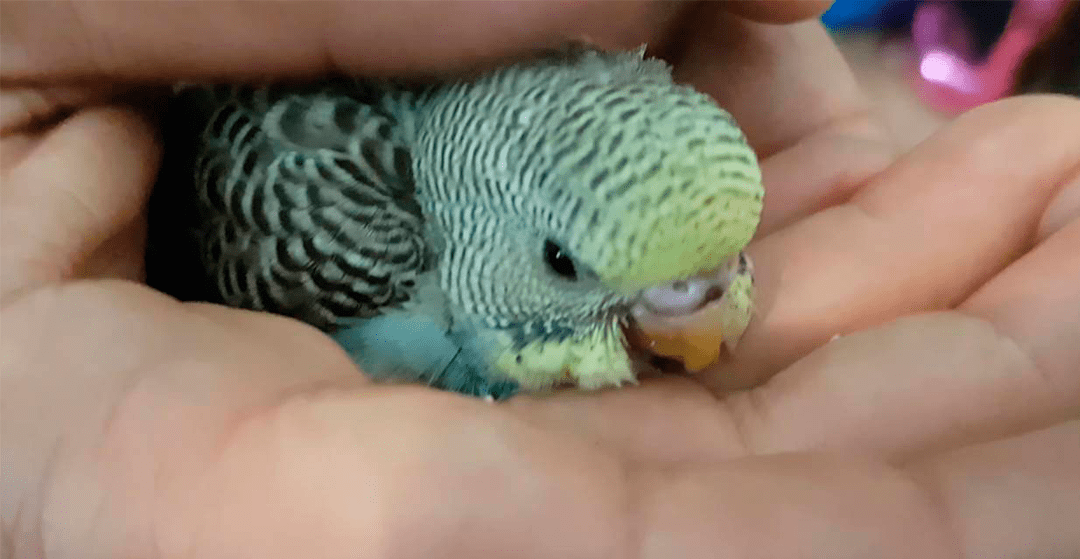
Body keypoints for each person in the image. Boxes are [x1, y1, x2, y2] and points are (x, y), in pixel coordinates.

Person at [2, 2, 1078, 558]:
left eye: (725, 265)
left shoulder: (598, 123)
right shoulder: (345, 218)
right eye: (567, 266)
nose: (700, 323)